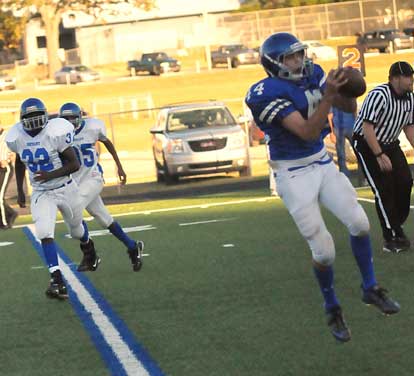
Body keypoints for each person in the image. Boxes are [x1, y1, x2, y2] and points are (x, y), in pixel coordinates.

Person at [245, 32, 400, 342]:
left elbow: (348, 107)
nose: (299, 61)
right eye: (291, 57)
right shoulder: (264, 93)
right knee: (325, 251)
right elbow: (305, 131)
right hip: (292, 173)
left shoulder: (312, 74)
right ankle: (332, 307)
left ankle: (369, 288)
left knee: (359, 222)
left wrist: (346, 87)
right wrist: (328, 95)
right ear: (275, 64)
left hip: (320, 162)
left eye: (300, 54)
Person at [5, 97, 100, 300]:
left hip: (65, 188)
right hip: (42, 192)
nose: (33, 121)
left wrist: (50, 175)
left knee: (76, 230)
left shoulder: (55, 133)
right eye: (29, 117)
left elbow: (74, 164)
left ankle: (88, 247)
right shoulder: (17, 138)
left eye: (36, 116)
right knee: (44, 232)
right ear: (22, 119)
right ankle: (56, 279)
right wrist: (22, 189)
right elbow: (21, 161)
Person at [58, 102, 143, 271]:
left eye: (72, 118)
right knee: (105, 220)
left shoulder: (93, 127)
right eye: (65, 119)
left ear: (80, 117)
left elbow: (107, 142)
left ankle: (90, 253)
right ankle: (132, 246)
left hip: (93, 178)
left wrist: (119, 166)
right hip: (75, 182)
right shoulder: (59, 135)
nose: (69, 121)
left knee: (74, 207)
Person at [353, 61, 414, 254]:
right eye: (408, 76)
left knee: (405, 182)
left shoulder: (410, 98)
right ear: (395, 78)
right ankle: (391, 237)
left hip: (390, 143)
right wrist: (378, 154)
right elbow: (367, 127)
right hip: (367, 144)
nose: (411, 79)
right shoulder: (379, 95)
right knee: (383, 189)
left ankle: (396, 224)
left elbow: (409, 127)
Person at [0, 125, 18, 229]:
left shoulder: (7, 135)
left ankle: (4, 223)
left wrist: (8, 159)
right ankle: (11, 213)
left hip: (5, 169)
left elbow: (15, 149)